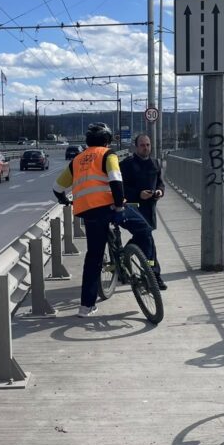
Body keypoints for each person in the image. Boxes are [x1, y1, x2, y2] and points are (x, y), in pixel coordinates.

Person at [53, 122, 159, 317]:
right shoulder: (107, 154)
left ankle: (86, 306)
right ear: (107, 140)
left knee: (94, 257)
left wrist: (64, 200)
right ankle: (132, 252)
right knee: (144, 230)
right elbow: (116, 180)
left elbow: (57, 188)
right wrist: (119, 204)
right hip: (110, 207)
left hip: (88, 212)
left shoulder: (76, 160)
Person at [119, 133, 167, 290]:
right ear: (136, 147)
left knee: (144, 239)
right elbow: (120, 188)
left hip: (149, 208)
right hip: (133, 209)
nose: (146, 148)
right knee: (147, 241)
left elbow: (160, 183)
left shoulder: (155, 163)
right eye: (142, 145)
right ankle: (154, 275)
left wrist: (159, 191)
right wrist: (138, 194)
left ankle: (125, 255)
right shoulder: (127, 164)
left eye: (148, 145)